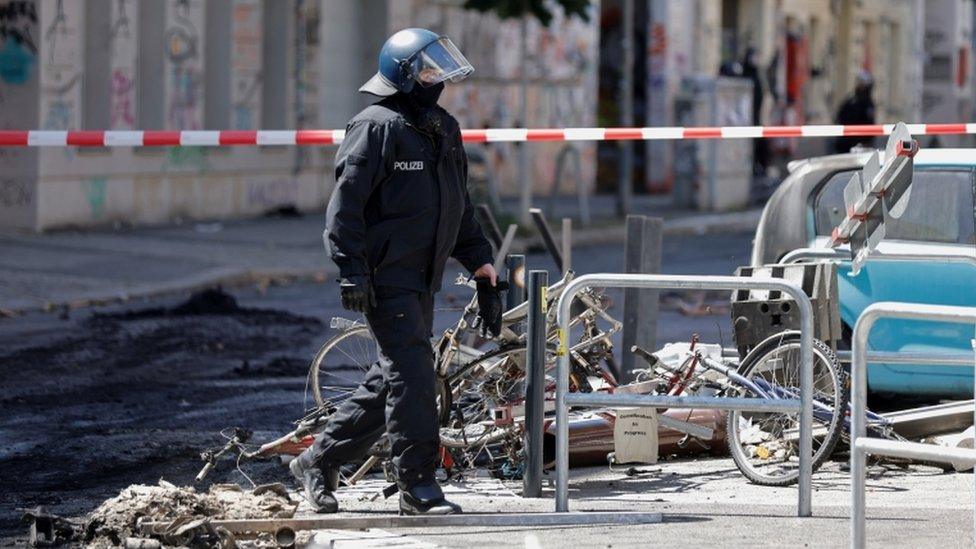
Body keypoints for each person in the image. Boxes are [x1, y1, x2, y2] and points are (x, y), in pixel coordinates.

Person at [289, 28, 502, 516]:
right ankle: (418, 486)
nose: (437, 79)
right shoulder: (374, 127)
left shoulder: (443, 128)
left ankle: (317, 460)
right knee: (414, 377)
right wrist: (351, 271)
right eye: (427, 71)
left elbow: (459, 205)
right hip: (385, 277)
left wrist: (481, 261)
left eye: (439, 71)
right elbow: (345, 208)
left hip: (423, 277)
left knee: (392, 378)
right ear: (403, 75)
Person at [833, 70, 876, 154]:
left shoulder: (868, 104)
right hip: (845, 144)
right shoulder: (851, 101)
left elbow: (870, 124)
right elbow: (840, 117)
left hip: (862, 144)